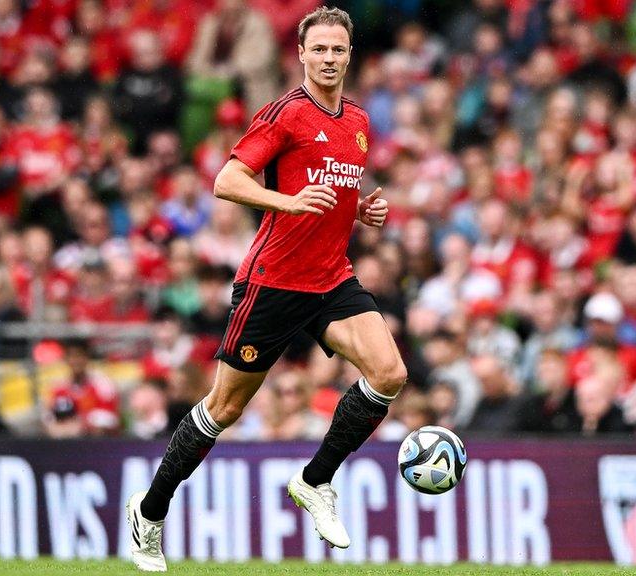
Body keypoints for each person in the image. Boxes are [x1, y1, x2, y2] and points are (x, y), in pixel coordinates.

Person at [127, 8, 399, 571]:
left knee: (390, 373)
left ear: (350, 56)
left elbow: (330, 193)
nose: (328, 59)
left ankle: (314, 481)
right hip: (272, 281)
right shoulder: (283, 114)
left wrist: (362, 211)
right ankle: (149, 513)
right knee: (223, 410)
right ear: (301, 54)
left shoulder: (358, 121)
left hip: (331, 277)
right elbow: (227, 181)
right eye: (318, 49)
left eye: (338, 50)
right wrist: (287, 202)